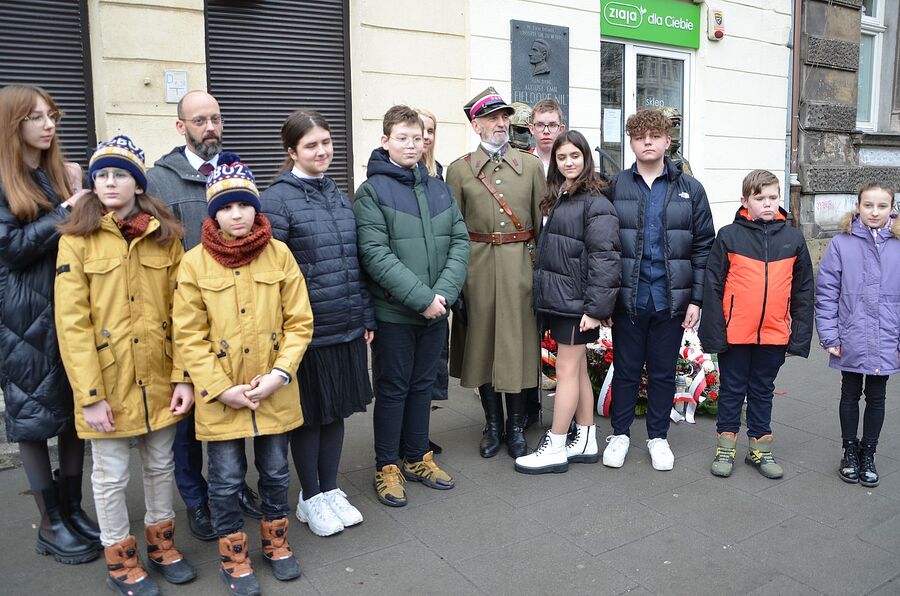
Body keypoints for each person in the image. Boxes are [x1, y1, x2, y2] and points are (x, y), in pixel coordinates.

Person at [55, 136, 196, 595]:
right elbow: (72, 324)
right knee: (110, 475)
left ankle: (162, 544)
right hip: (108, 384)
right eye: (101, 175)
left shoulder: (164, 236)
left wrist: (183, 376)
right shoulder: (77, 240)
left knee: (160, 466)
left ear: (138, 182)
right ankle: (119, 557)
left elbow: (184, 313)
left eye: (119, 174)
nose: (110, 182)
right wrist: (89, 396)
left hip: (159, 377)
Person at [173, 162, 313, 595]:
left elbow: (299, 322)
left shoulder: (280, 254)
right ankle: (233, 556)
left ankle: (276, 543)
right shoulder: (194, 263)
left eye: (245, 205)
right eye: (227, 207)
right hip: (222, 396)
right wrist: (220, 388)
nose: (238, 215)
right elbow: (188, 335)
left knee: (274, 470)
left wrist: (279, 374)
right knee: (226, 478)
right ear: (212, 214)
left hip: (272, 389)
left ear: (257, 208)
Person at [146, 90, 262, 541]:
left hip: (236, 316)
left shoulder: (238, 171)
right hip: (185, 316)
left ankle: (234, 490)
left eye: (215, 118)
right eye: (199, 120)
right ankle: (197, 500)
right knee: (189, 418)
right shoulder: (159, 181)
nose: (210, 127)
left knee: (235, 408)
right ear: (182, 127)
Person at [260, 110, 373, 537]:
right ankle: (309, 496)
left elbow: (353, 260)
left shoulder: (337, 193)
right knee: (308, 416)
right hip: (305, 333)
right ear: (291, 152)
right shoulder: (277, 200)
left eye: (326, 142)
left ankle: (328, 488)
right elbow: (274, 277)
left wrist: (364, 313)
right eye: (311, 145)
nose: (322, 151)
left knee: (336, 412)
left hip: (344, 324)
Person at [0, 84, 99, 565]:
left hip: (65, 305)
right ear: (12, 124)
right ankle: (50, 522)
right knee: (34, 418)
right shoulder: (5, 179)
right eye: (36, 117)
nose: (48, 125)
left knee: (73, 407)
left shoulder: (55, 174)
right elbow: (13, 250)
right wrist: (65, 210)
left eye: (52, 116)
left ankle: (72, 508)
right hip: (21, 315)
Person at [354, 105, 469, 508]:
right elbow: (374, 254)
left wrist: (442, 295)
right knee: (393, 388)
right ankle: (387, 465)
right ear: (385, 141)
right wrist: (422, 299)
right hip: (396, 315)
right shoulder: (371, 192)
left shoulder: (438, 187)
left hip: (437, 310)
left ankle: (418, 456)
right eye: (401, 138)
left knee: (424, 387)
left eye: (417, 138)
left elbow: (459, 240)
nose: (411, 145)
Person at [602, 108, 715, 471]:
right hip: (627, 299)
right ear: (631, 143)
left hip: (670, 300)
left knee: (664, 372)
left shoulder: (690, 189)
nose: (647, 142)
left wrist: (696, 298)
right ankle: (619, 435)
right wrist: (603, 298)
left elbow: (703, 247)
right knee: (626, 370)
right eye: (639, 137)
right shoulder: (615, 187)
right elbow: (602, 246)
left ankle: (658, 437)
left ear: (668, 141)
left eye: (654, 136)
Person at [514, 130, 621, 474]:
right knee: (575, 371)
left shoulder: (595, 201)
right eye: (562, 158)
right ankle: (587, 437)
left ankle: (556, 443)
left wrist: (595, 309)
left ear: (586, 158)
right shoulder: (561, 195)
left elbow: (606, 258)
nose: (569, 162)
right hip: (563, 298)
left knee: (565, 372)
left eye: (575, 156)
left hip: (578, 303)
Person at [447, 87, 545, 460]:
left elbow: (542, 227)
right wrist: (456, 283)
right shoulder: (459, 171)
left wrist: (541, 276)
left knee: (518, 348)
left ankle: (516, 427)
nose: (500, 123)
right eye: (491, 117)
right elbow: (452, 232)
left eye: (504, 117)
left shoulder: (532, 166)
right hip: (478, 269)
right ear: (476, 124)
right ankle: (491, 425)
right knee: (484, 348)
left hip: (521, 266)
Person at [699, 169, 814, 480]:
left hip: (774, 334)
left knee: (763, 391)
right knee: (733, 390)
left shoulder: (793, 239)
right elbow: (712, 286)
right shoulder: (729, 236)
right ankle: (726, 447)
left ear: (780, 199)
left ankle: (760, 449)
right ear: (744, 200)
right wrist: (713, 333)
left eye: (773, 197)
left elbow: (804, 291)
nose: (767, 203)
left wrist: (799, 338)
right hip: (735, 333)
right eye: (759, 198)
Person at [815, 183, 900, 488]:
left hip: (887, 335)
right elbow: (826, 292)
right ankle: (850, 450)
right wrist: (829, 335)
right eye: (868, 206)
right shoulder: (842, 243)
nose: (874, 212)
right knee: (850, 393)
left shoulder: (898, 244)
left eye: (881, 206)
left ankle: (869, 453)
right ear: (858, 206)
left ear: (892, 207)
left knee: (877, 396)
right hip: (851, 334)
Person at [415, 107, 449, 455]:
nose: (426, 137)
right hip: (412, 290)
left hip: (439, 286)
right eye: (420, 130)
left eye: (431, 130)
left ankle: (419, 434)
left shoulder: (439, 173)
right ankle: (403, 439)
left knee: (432, 367)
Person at [528, 98, 566, 175]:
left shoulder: (569, 165)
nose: (546, 131)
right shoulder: (522, 162)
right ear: (531, 129)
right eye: (540, 125)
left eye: (552, 125)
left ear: (561, 129)